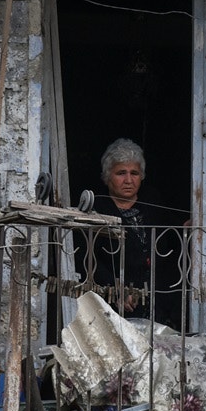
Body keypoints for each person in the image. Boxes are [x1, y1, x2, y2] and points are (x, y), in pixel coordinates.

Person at [82, 138, 183, 328]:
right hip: (115, 304)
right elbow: (86, 258)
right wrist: (115, 288)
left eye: (134, 173)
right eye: (121, 173)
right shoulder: (96, 208)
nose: (129, 180)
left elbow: (174, 231)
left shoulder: (152, 200)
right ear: (107, 176)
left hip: (159, 301)